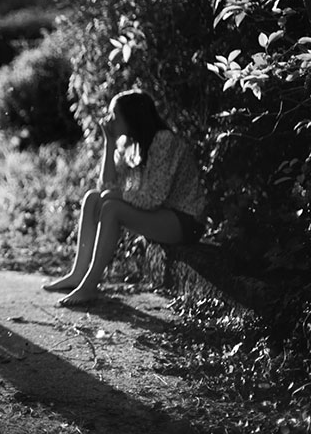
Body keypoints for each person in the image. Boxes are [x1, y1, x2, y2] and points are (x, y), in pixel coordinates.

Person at [43, 89, 206, 307]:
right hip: (159, 216)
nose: (108, 120)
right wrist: (110, 143)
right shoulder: (129, 144)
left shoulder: (163, 140)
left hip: (184, 221)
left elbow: (153, 198)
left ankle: (89, 286)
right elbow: (105, 187)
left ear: (131, 117)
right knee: (93, 199)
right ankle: (78, 273)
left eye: (114, 115)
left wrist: (117, 195)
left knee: (112, 208)